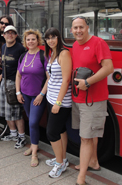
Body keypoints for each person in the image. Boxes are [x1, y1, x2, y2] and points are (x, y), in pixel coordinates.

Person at [71, 16, 114, 185]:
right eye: (75, 28)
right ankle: (93, 162)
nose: (78, 31)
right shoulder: (75, 45)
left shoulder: (98, 43)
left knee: (86, 138)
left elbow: (109, 67)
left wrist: (88, 82)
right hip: (79, 98)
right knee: (90, 134)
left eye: (81, 27)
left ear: (87, 27)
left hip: (93, 100)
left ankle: (81, 177)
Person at [15, 29, 48, 167]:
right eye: (28, 40)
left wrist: (41, 94)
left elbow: (49, 78)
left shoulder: (43, 56)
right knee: (30, 122)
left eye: (33, 39)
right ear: (25, 41)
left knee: (33, 122)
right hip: (25, 96)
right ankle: (34, 145)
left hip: (37, 96)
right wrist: (18, 92)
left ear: (38, 41)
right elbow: (18, 75)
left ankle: (34, 153)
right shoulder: (23, 56)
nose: (30, 42)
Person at [44, 27, 72, 178]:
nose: (50, 40)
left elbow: (66, 80)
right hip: (51, 98)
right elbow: (52, 78)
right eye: (48, 38)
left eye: (53, 37)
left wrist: (58, 102)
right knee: (60, 130)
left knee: (51, 132)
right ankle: (63, 158)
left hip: (60, 101)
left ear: (59, 38)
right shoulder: (52, 54)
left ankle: (59, 164)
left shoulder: (64, 53)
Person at [0, 25, 26, 149]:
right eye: (7, 33)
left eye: (12, 33)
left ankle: (22, 137)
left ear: (16, 35)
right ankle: (13, 134)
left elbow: (23, 69)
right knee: (6, 110)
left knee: (16, 112)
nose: (10, 35)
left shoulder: (20, 49)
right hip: (4, 82)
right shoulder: (3, 47)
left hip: (14, 84)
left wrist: (19, 88)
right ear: (3, 35)